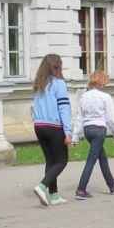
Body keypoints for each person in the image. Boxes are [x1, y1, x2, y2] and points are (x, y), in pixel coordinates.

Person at [31, 53, 72, 207]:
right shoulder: (59, 83)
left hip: (39, 125)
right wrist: (68, 130)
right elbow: (63, 107)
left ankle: (54, 196)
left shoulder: (39, 84)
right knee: (61, 160)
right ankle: (42, 186)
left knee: (51, 161)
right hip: (54, 126)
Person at [71, 70, 114, 198]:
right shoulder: (105, 97)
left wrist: (75, 136)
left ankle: (111, 184)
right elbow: (110, 119)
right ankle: (81, 189)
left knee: (101, 157)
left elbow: (79, 118)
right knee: (91, 160)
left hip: (87, 130)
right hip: (99, 129)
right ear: (102, 82)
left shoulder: (84, 96)